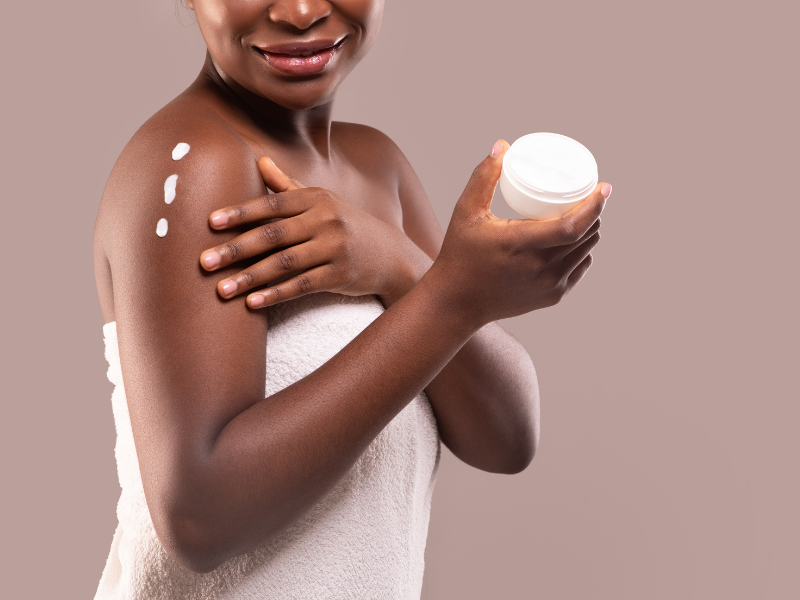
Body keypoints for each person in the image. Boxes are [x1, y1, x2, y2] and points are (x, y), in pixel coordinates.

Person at [92, 0, 610, 597]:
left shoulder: (377, 168)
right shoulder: (197, 166)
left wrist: (402, 267)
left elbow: (509, 438)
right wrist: (451, 294)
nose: (302, 10)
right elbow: (199, 517)